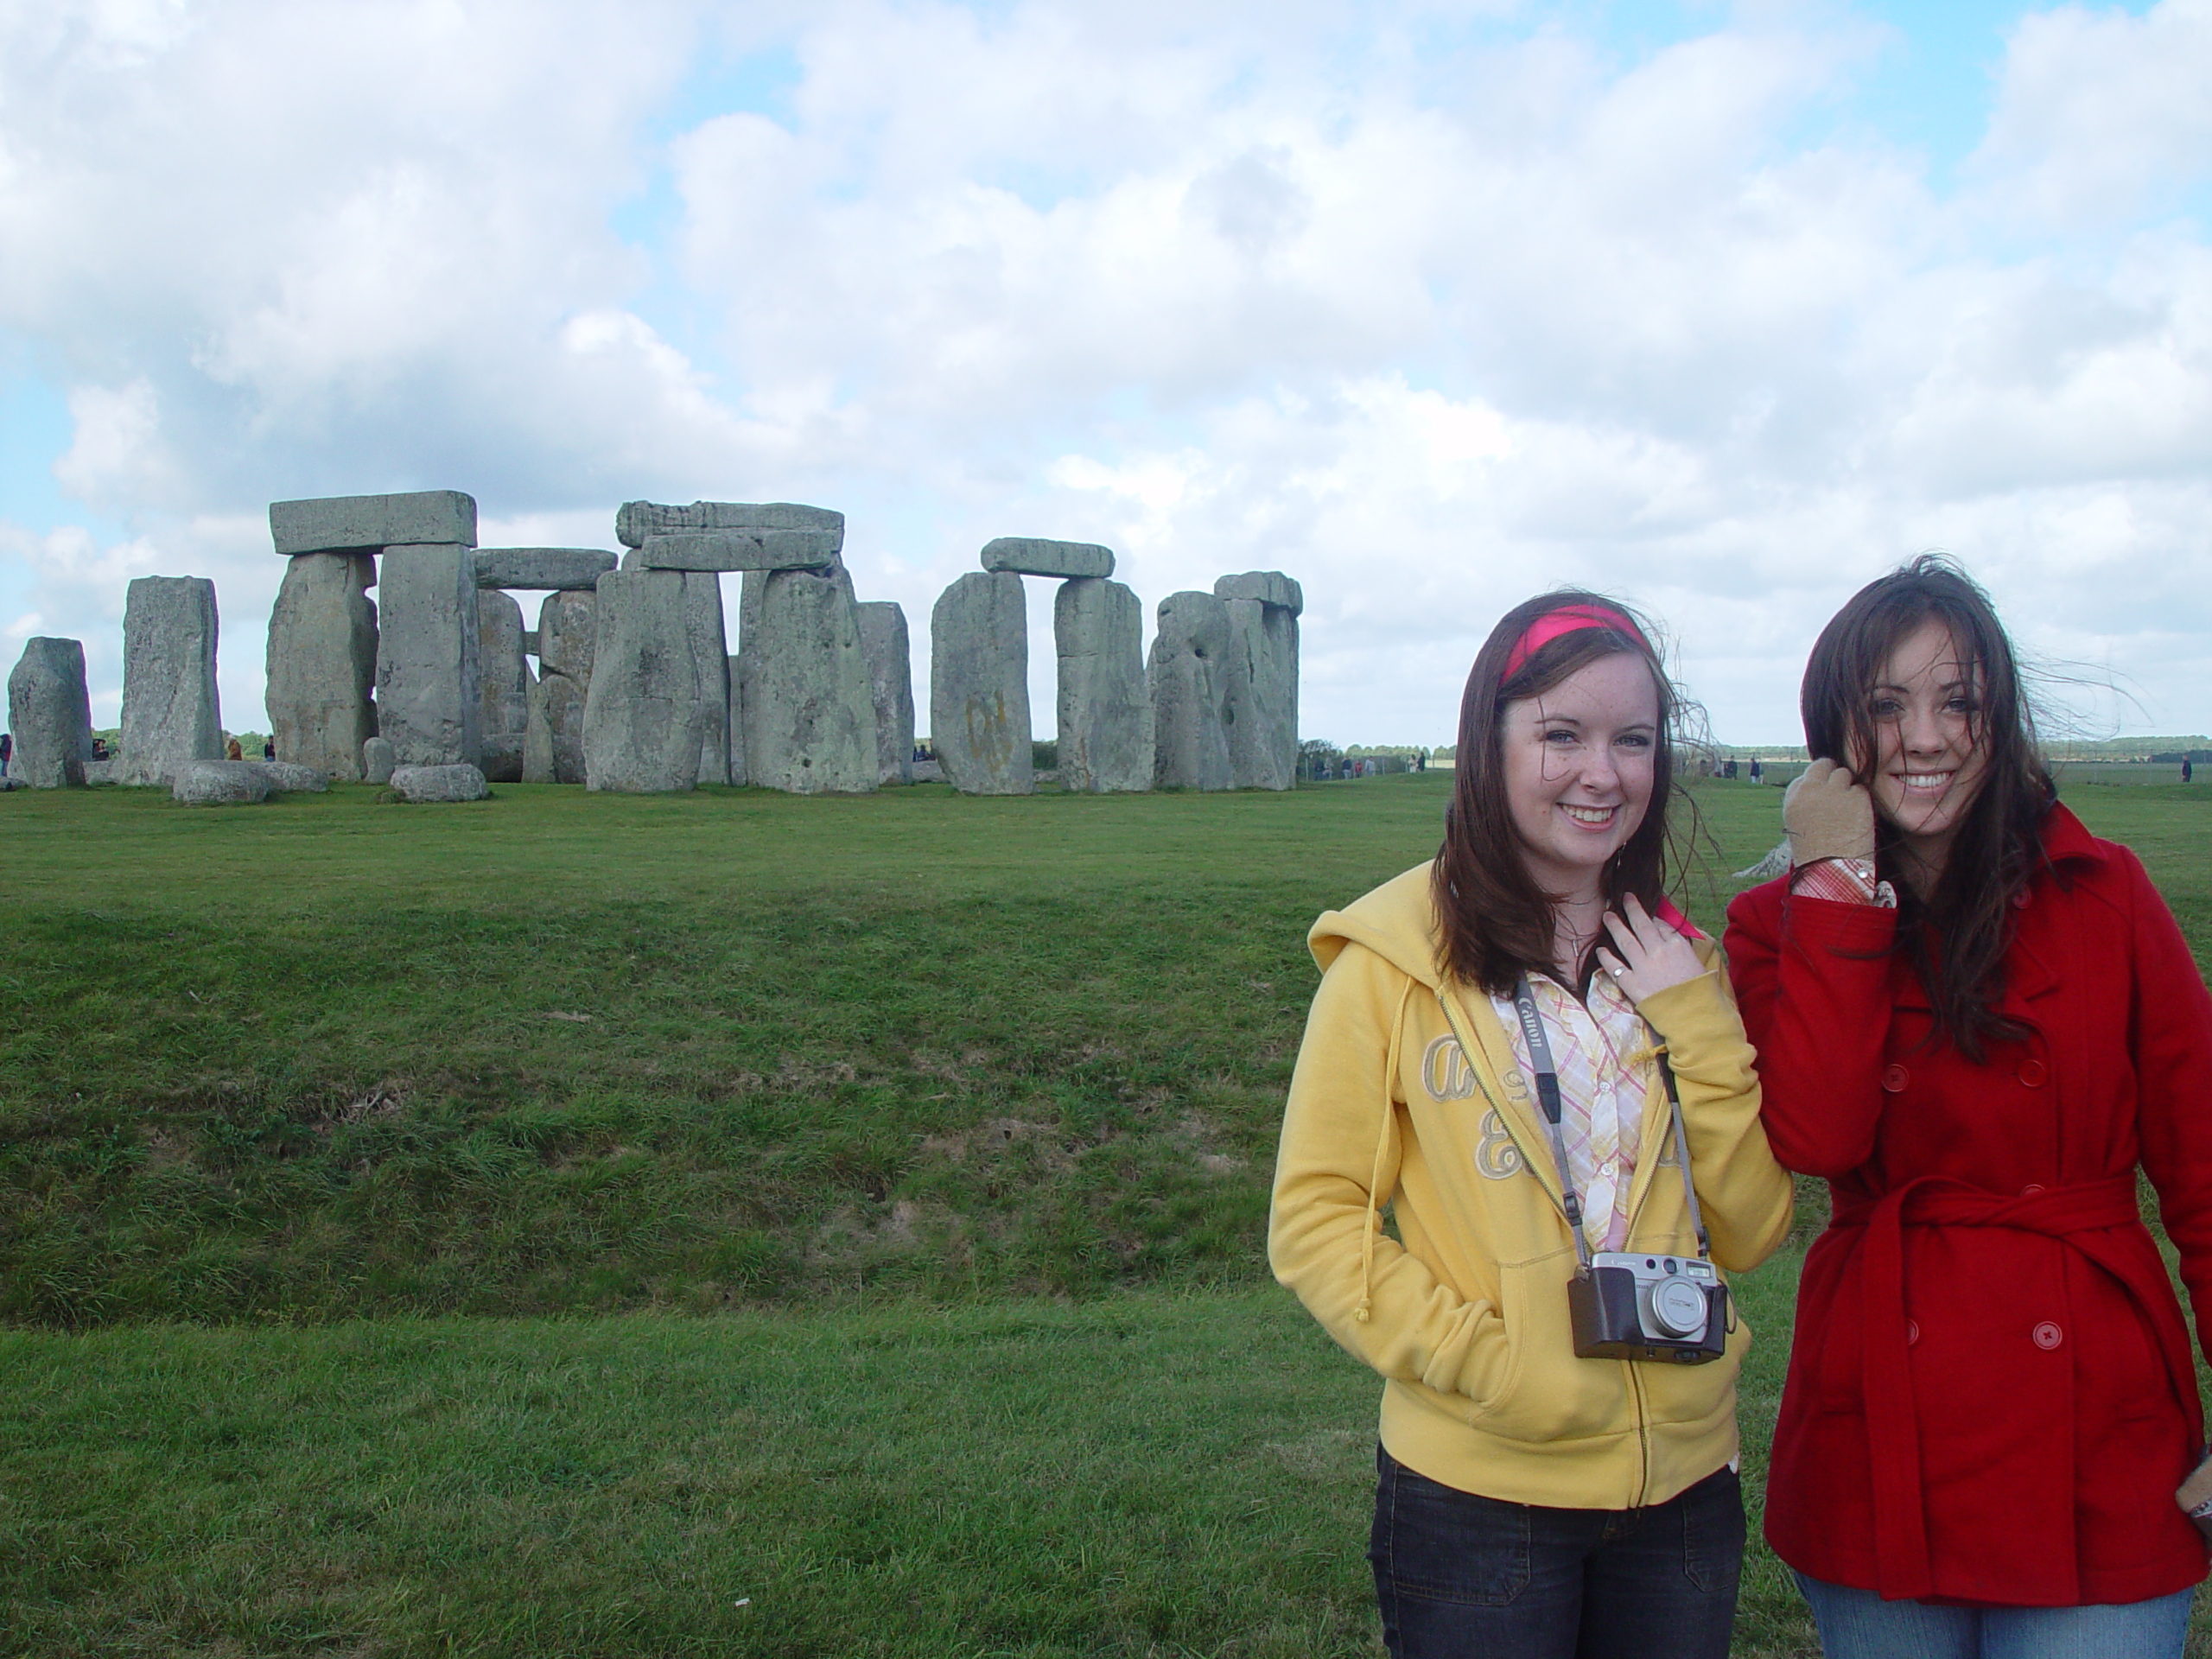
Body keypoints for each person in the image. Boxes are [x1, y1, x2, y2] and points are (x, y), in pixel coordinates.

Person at [1270, 591, 1794, 1659]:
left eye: (1632, 741)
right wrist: (1498, 1370)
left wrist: (1697, 1020)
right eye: (1562, 734)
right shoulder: (1391, 967)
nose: (1602, 774)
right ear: (1487, 745)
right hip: (1480, 1491)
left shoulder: (1679, 964)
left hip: (1685, 1488)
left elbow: (1747, 1231)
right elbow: (1316, 1222)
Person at [1724, 556, 2212, 1656]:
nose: (1927, 738)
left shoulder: (2109, 895)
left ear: (2000, 719)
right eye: (1885, 707)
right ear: (1832, 730)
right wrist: (1840, 888)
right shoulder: (1775, 924)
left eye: (1959, 703)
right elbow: (1819, 1134)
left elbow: (2204, 1165)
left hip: (2098, 1422)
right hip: (1879, 1420)